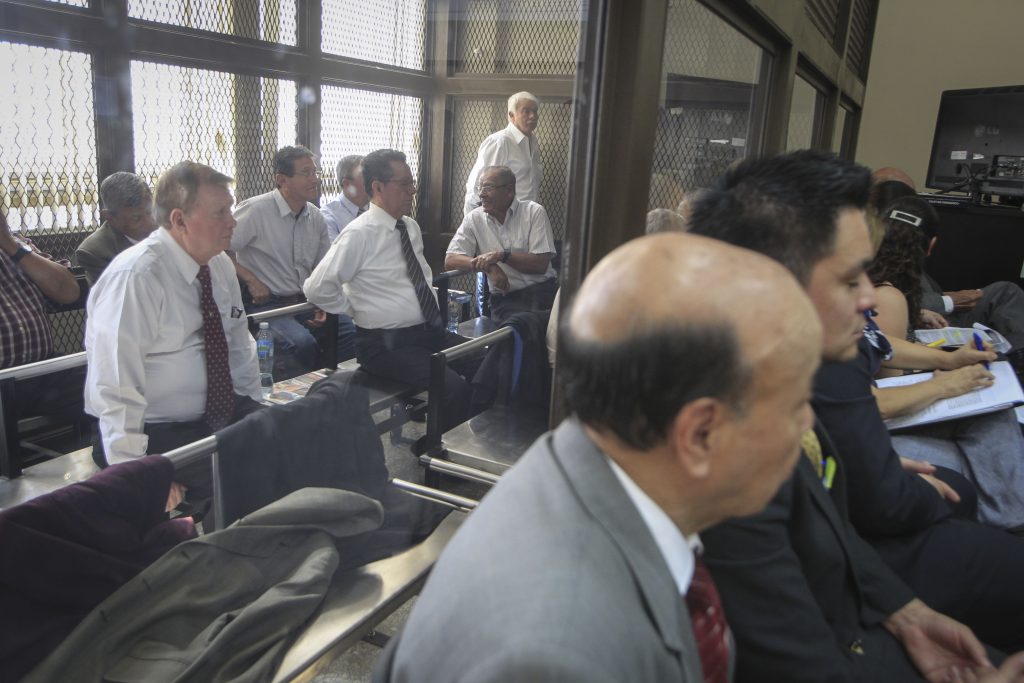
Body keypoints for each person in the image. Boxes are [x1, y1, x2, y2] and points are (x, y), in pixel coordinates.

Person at [377, 231, 825, 682]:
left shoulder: (578, 475)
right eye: (794, 404)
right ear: (700, 433)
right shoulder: (558, 658)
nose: (808, 424)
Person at [688, 150, 1018, 681]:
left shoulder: (772, 382)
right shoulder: (722, 457)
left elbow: (824, 518)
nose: (871, 299)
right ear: (770, 290)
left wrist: (906, 613)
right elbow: (799, 654)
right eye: (849, 280)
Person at [85, 161, 262, 515]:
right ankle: (228, 562)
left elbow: (239, 343)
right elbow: (116, 385)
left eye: (230, 208)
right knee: (252, 480)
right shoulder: (137, 277)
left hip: (219, 414)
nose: (232, 222)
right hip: (154, 432)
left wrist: (254, 408)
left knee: (300, 444)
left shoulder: (218, 264)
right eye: (220, 212)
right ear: (179, 220)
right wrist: (137, 473)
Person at [867, 195, 1024, 529]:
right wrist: (941, 382)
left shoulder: (861, 310)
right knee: (981, 440)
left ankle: (1011, 510)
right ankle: (1011, 516)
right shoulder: (883, 297)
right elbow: (884, 387)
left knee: (992, 410)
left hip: (876, 413)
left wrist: (948, 361)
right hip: (873, 424)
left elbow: (880, 343)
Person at [304, 149, 471, 437]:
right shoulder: (360, 233)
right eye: (404, 184)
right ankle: (437, 452)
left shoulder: (410, 227)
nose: (412, 190)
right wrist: (355, 308)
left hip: (428, 333)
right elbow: (317, 287)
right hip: (386, 345)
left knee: (487, 358)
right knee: (452, 386)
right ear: (377, 187)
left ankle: (460, 436)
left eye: (412, 182)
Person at [870, 167, 1024, 350]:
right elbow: (890, 352)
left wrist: (918, 312)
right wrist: (946, 304)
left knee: (1005, 292)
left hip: (924, 322)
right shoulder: (877, 277)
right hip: (917, 337)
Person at [229, 145, 332, 376]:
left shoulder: (315, 216)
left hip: (304, 301)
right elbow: (218, 248)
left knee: (348, 332)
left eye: (316, 172)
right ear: (282, 179)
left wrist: (322, 301)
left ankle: (331, 395)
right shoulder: (256, 210)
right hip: (267, 305)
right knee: (301, 344)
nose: (315, 179)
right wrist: (250, 279)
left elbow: (323, 267)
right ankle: (295, 404)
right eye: (306, 173)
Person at [0, 204, 83, 434]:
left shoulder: (18, 244)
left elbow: (69, 292)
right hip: (2, 378)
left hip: (42, 371)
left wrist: (9, 244)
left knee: (109, 385)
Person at [445, 165, 557, 322]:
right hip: (506, 299)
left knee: (535, 330)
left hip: (543, 293)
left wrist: (501, 256)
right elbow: (450, 260)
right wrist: (490, 266)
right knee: (515, 329)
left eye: (488, 188)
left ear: (509, 190)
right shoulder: (474, 219)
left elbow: (540, 265)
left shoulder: (533, 212)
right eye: (480, 187)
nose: (481, 194)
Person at [462, 91, 541, 216]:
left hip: (526, 219)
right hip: (500, 221)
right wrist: (472, 224)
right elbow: (477, 185)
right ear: (511, 115)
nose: (533, 116)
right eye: (526, 111)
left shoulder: (533, 142)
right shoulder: (499, 142)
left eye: (535, 111)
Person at [75, 172, 156, 286]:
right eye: (136, 218)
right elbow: (121, 298)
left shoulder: (172, 228)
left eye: (150, 212)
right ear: (110, 218)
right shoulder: (95, 252)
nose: (150, 223)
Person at [321, 154, 369, 242]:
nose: (373, 182)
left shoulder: (380, 209)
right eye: (367, 178)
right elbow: (336, 254)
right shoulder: (327, 217)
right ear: (347, 184)